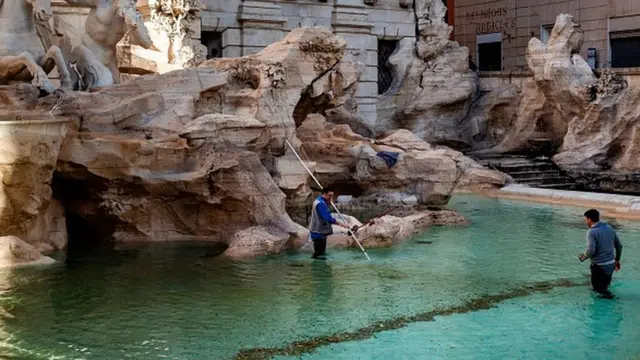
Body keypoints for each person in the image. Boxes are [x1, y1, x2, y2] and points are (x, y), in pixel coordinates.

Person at [578, 209, 623, 299]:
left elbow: (591, 250)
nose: (586, 221)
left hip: (599, 267)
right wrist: (617, 260)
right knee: (604, 288)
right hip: (611, 265)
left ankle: (613, 301)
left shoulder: (591, 232)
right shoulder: (609, 228)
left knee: (599, 291)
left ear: (590, 219)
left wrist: (583, 257)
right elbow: (619, 246)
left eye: (586, 219)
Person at [308, 187, 350, 260]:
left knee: (321, 252)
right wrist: (342, 224)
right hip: (318, 232)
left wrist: (328, 201)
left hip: (321, 231)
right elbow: (327, 218)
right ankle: (316, 268)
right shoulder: (320, 204)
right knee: (319, 253)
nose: (331, 197)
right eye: (330, 195)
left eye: (332, 196)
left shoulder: (320, 200)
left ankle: (322, 268)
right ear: (324, 194)